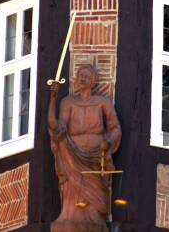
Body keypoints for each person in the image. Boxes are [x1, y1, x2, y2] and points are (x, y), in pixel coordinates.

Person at [48, 64, 122, 232]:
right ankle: (69, 217)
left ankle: (95, 218)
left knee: (96, 195)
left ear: (94, 81)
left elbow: (115, 127)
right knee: (72, 190)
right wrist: (53, 98)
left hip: (97, 155)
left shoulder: (102, 102)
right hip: (72, 154)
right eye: (80, 75)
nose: (82, 79)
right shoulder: (67, 102)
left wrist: (109, 142)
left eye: (86, 76)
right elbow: (58, 127)